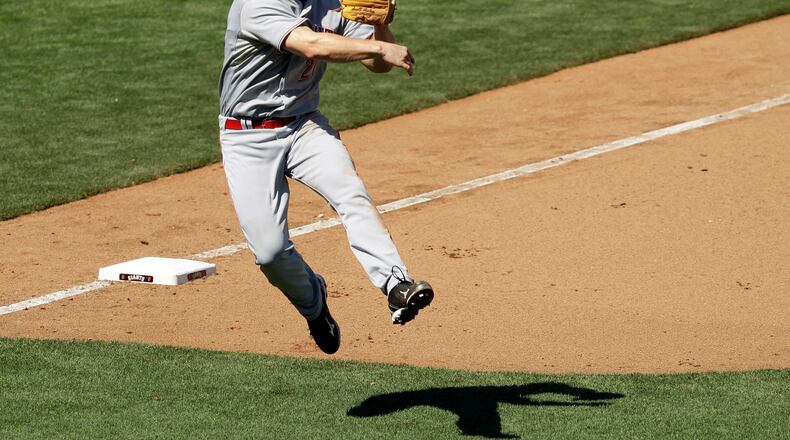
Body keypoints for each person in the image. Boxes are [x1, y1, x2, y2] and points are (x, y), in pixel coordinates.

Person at [218, 0, 434, 354]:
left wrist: (380, 26)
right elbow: (311, 44)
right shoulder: (260, 2)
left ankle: (397, 285)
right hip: (246, 135)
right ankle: (312, 302)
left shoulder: (335, 5)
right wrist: (381, 45)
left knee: (350, 193)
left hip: (304, 124)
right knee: (271, 253)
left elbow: (376, 65)